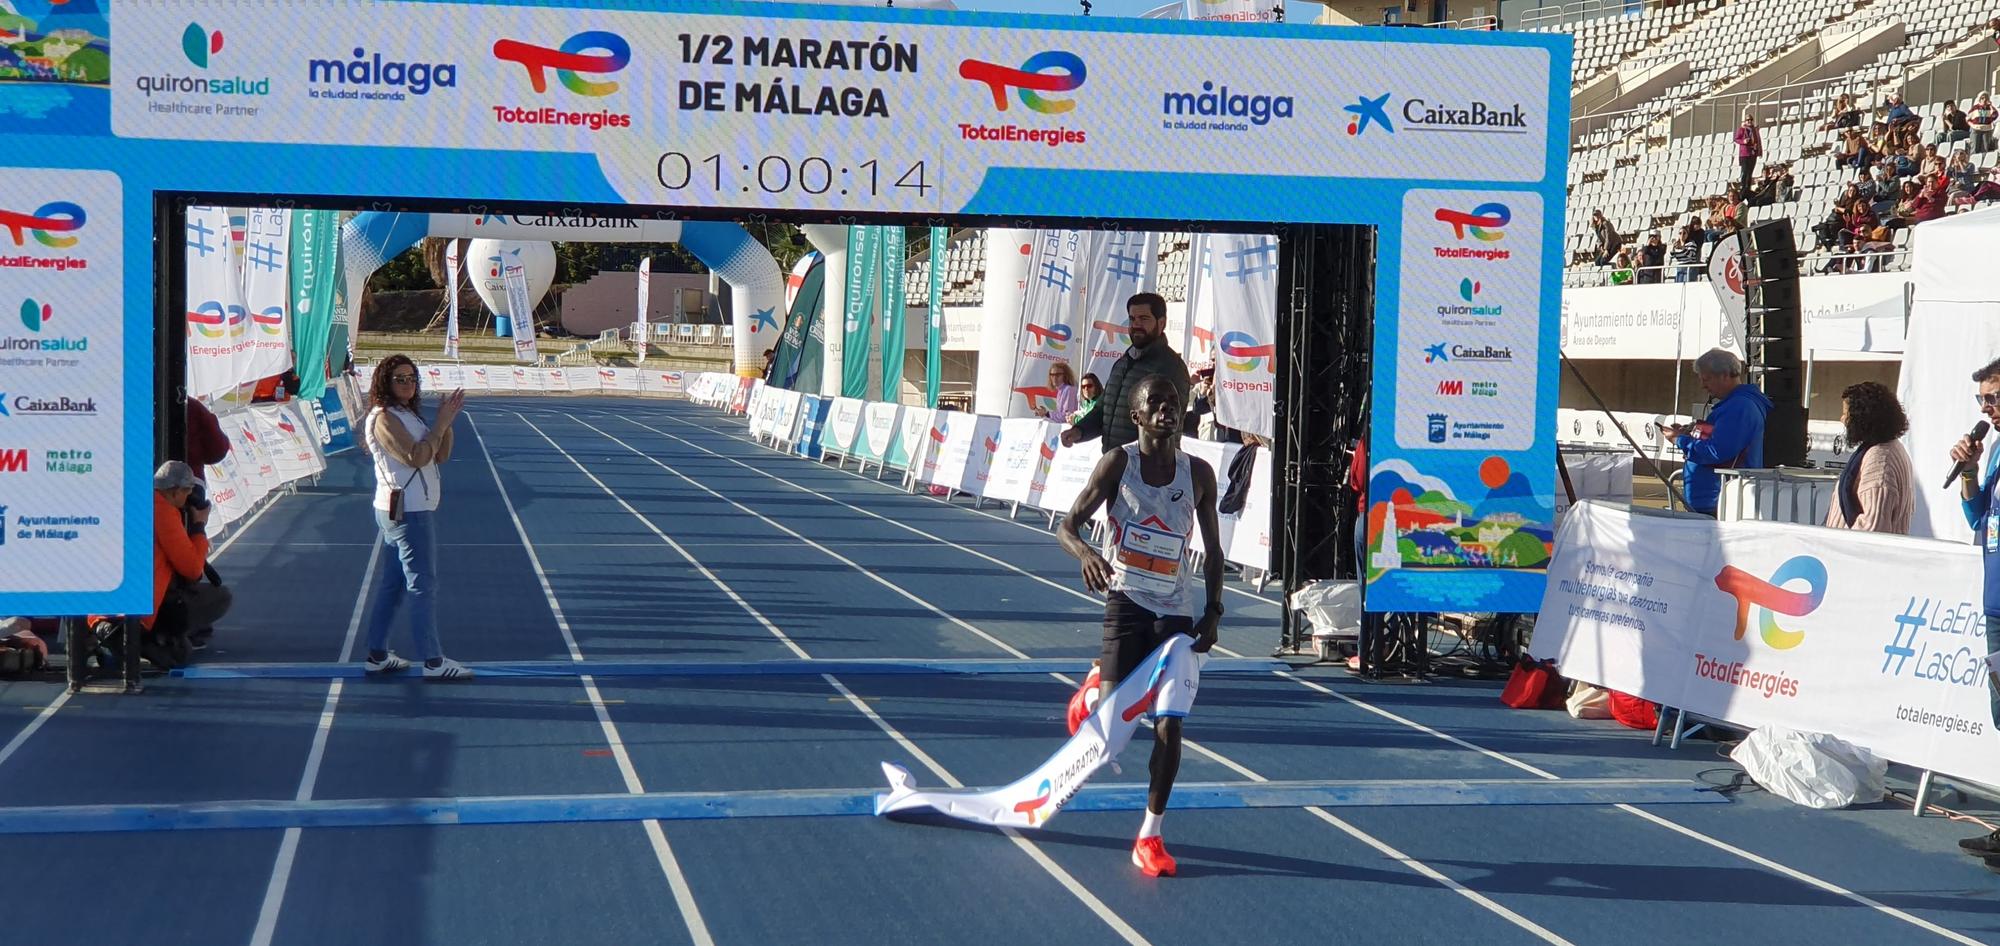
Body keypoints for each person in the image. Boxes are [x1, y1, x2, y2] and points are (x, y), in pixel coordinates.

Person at [1056, 374, 1222, 878]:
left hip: (1175, 614)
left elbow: (1213, 550)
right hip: (1126, 603)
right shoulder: (1117, 464)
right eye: (1157, 403)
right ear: (1138, 416)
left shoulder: (1198, 473)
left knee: (1170, 727)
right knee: (1110, 740)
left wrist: (1213, 611)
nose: (1168, 408)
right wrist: (1085, 552)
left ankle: (1150, 835)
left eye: (1174, 401)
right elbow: (1068, 525)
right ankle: (1091, 695)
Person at [361, 355, 473, 680]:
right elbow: (417, 456)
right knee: (422, 585)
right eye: (400, 378)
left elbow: (441, 454)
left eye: (412, 378)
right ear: (385, 382)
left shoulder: (405, 414)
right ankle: (433, 661)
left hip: (411, 508)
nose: (408, 384)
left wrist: (445, 424)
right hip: (407, 511)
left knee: (394, 585)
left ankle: (377, 653)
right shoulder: (384, 418)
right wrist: (439, 424)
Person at [112, 461, 234, 669]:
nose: (188, 497)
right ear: (175, 491)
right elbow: (193, 570)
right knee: (221, 596)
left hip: (108, 604)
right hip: (142, 608)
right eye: (187, 492)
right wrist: (198, 528)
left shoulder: (136, 502)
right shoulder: (163, 512)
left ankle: (136, 635)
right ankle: (157, 635)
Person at [1955, 359, 2000, 869]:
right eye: (1982, 401)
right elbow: (1977, 516)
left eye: (1993, 398)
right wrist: (1969, 470)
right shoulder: (1995, 451)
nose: (1987, 409)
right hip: (1995, 602)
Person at [1062, 292, 1191, 453]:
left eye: (1144, 319)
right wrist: (1079, 431)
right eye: (1132, 319)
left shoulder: (1172, 367)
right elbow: (1103, 409)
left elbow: (1171, 424)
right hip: (1114, 463)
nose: (1136, 325)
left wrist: (1151, 466)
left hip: (1147, 470)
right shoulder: (1122, 363)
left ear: (1161, 323)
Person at [1664, 349, 1770, 516]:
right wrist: (1689, 434)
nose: (1703, 385)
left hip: (1720, 501)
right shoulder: (1737, 405)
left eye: (1707, 379)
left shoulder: (1738, 407)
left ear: (1725, 375)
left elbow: (1717, 451)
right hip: (1718, 499)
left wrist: (1679, 440)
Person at [1822, 382, 1913, 533]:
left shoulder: (1879, 460)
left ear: (1862, 418)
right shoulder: (1891, 448)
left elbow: (1873, 527)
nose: (1842, 419)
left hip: (1856, 553)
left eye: (1846, 413)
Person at [1734, 110, 1762, 198]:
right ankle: (1743, 188)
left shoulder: (1755, 130)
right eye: (1748, 120)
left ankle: (1748, 188)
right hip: (1745, 154)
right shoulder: (1742, 129)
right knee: (1745, 171)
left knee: (1750, 172)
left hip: (1753, 153)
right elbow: (1736, 139)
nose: (1749, 121)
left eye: (1751, 120)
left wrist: (1759, 151)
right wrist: (1743, 141)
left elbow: (1758, 140)